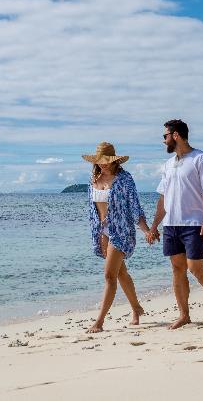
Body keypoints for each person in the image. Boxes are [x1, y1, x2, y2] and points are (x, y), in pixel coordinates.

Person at [149, 119, 203, 329]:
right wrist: (154, 226)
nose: (164, 140)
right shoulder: (168, 165)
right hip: (171, 225)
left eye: (165, 136)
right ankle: (184, 315)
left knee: (195, 268)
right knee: (177, 269)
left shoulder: (201, 159)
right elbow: (163, 198)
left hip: (194, 223)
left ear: (176, 135)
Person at [82, 142, 155, 333]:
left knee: (109, 275)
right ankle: (137, 309)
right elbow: (93, 211)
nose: (103, 164)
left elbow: (135, 207)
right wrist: (97, 233)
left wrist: (146, 230)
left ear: (114, 160)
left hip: (121, 231)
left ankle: (99, 321)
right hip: (102, 232)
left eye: (106, 161)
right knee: (121, 273)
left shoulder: (124, 179)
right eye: (99, 161)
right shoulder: (93, 178)